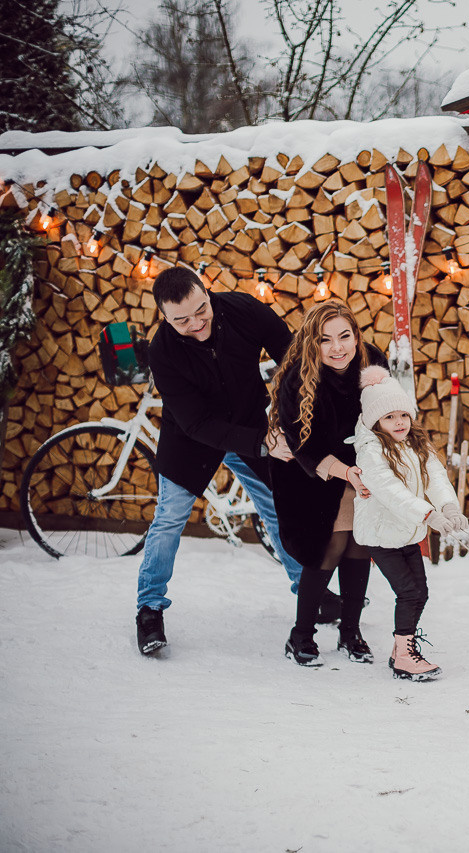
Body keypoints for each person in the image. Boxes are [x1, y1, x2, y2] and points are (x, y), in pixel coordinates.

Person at [134, 267, 305, 656]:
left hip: (248, 421)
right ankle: (149, 609)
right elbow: (195, 421)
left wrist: (300, 399)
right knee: (169, 520)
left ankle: (308, 591)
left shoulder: (242, 307)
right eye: (181, 320)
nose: (196, 324)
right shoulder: (163, 351)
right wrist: (263, 442)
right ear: (165, 316)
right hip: (192, 438)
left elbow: (290, 352)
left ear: (207, 294)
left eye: (201, 310)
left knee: (281, 507)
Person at [269, 300, 386, 667]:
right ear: (311, 343)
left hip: (362, 468)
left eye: (344, 336)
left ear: (356, 335)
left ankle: (350, 631)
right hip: (312, 474)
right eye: (325, 340)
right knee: (329, 547)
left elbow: (391, 411)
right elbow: (304, 446)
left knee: (359, 545)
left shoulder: (372, 362)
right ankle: (301, 634)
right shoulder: (297, 379)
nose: (337, 348)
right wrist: (346, 472)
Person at [353, 364, 468, 681]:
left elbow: (436, 476)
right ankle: (404, 656)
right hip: (380, 533)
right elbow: (390, 492)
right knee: (408, 591)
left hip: (406, 532)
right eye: (389, 417)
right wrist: (429, 515)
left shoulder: (416, 442)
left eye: (402, 414)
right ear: (376, 421)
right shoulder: (371, 451)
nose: (398, 422)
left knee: (421, 591)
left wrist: (448, 506)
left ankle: (401, 647)